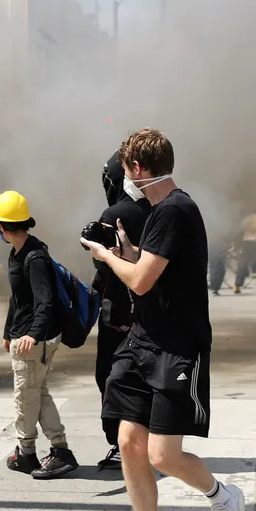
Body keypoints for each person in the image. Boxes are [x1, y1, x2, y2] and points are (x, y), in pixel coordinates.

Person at [81, 129, 249, 511]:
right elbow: (151, 268)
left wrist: (103, 255)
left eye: (127, 169)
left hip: (178, 347)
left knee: (162, 455)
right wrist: (129, 252)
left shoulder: (176, 209)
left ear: (137, 169)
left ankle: (223, 499)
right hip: (143, 341)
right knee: (129, 441)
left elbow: (138, 282)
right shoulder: (161, 211)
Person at [0, 191, 78, 481]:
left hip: (35, 342)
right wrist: (8, 331)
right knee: (37, 394)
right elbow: (18, 299)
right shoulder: (18, 252)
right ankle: (60, 450)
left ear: (3, 226)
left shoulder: (35, 256)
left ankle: (27, 452)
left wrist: (32, 333)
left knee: (25, 397)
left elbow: (46, 301)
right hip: (25, 337)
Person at [91, 152, 153, 470]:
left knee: (112, 378)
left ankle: (121, 444)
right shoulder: (160, 209)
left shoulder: (114, 213)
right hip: (154, 313)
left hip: (118, 313)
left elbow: (105, 270)